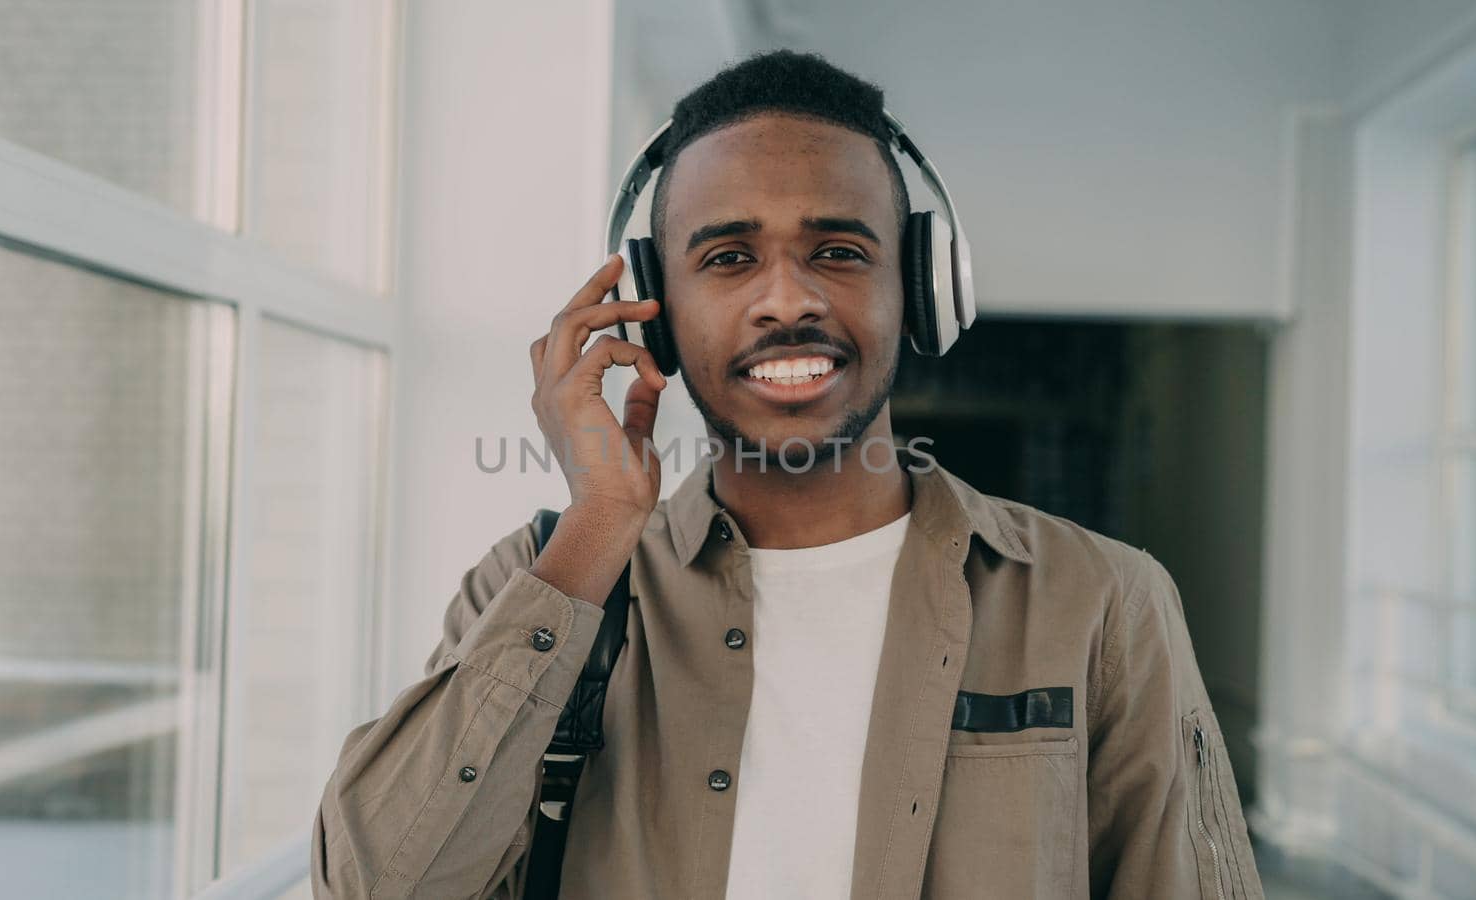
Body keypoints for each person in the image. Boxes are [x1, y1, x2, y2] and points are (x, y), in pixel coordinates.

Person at [310, 50, 1263, 900]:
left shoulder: (1104, 604)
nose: (787, 300)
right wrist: (599, 523)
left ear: (922, 287)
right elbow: (370, 888)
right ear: (653, 315)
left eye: (838, 252)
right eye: (728, 258)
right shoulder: (542, 582)